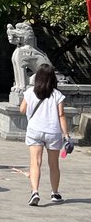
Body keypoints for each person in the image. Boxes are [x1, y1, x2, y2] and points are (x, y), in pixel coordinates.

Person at [19, 63, 72, 205]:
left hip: (35, 130)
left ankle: (35, 191)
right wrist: (66, 135)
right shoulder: (57, 95)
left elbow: (22, 110)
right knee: (54, 164)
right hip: (52, 131)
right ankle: (55, 193)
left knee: (35, 162)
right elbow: (61, 115)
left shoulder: (30, 92)